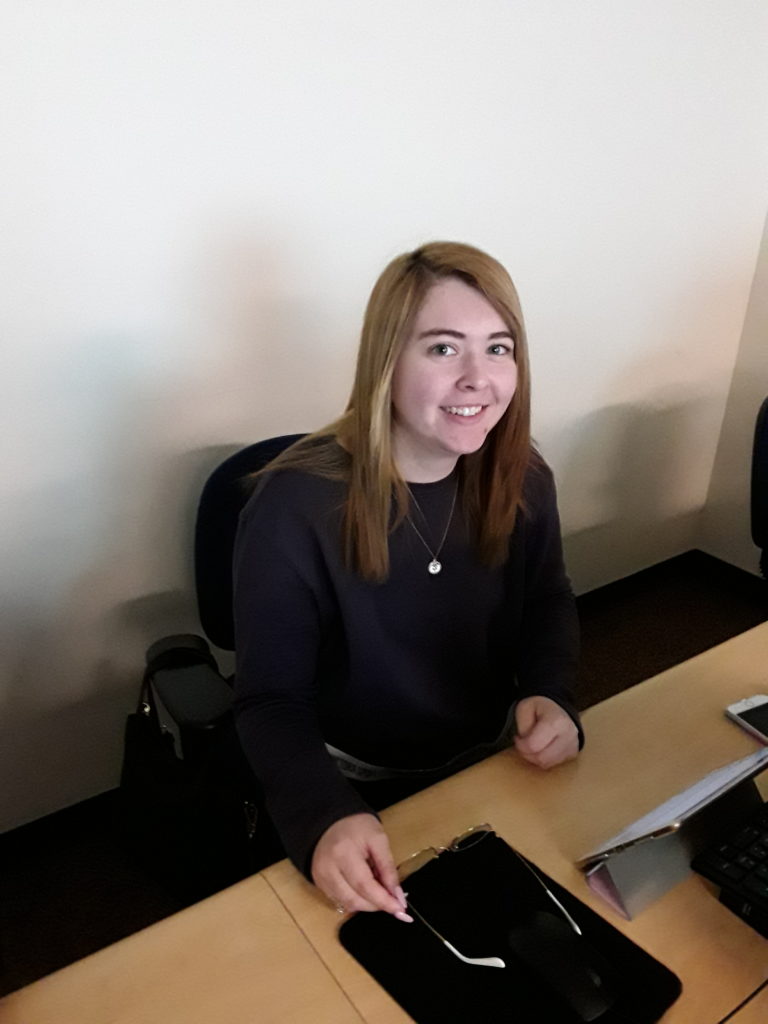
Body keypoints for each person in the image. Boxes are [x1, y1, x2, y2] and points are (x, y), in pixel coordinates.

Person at [233, 241, 582, 924]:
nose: (479, 379)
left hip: (493, 759)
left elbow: (547, 600)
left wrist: (552, 691)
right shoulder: (292, 507)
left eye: (500, 348)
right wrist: (324, 814)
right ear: (386, 363)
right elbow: (269, 701)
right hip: (354, 781)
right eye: (445, 349)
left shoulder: (522, 474)